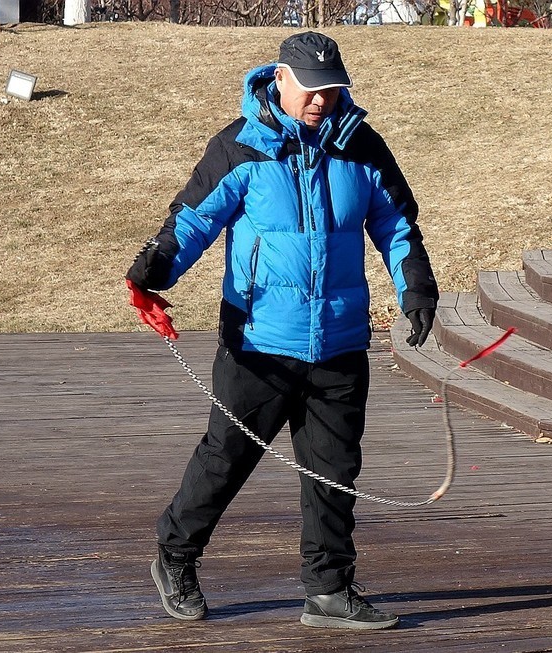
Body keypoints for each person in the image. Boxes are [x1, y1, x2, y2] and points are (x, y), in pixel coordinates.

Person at [125, 31, 438, 630]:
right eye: (313, 89)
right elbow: (193, 219)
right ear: (281, 80)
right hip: (258, 343)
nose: (323, 100)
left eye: (334, 89)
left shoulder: (362, 147)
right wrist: (156, 267)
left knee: (334, 473)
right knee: (227, 459)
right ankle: (176, 556)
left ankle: (328, 591)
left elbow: (398, 227)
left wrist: (416, 289)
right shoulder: (243, 147)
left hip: (340, 342)